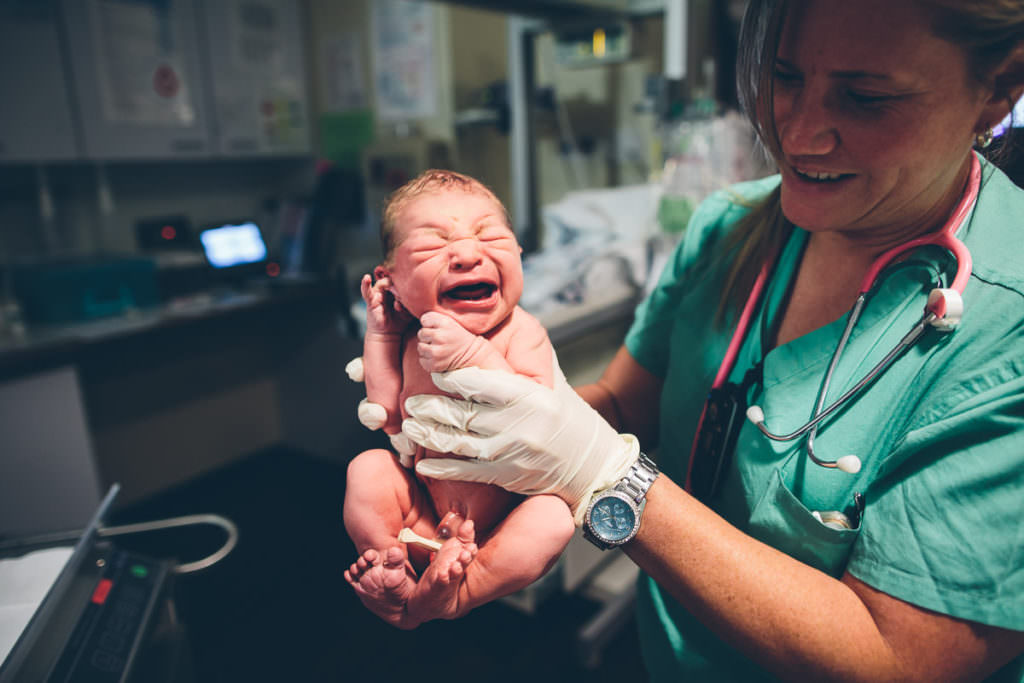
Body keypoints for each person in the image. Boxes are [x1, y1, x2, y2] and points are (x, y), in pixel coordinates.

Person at [396, 1, 1024, 679]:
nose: (800, 134)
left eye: (865, 97)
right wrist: (477, 461)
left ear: (998, 90)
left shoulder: (1006, 324)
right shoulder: (729, 226)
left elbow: (899, 656)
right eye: (783, 77)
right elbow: (622, 400)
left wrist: (605, 476)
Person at [342, 169, 574, 630]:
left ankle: (460, 594)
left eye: (490, 236)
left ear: (520, 254)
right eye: (433, 246)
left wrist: (474, 353)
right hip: (423, 513)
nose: (469, 254)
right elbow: (387, 411)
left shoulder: (521, 332)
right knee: (366, 469)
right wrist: (381, 335)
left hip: (500, 526)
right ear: (393, 282)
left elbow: (531, 415)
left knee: (553, 520)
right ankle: (393, 569)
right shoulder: (409, 335)